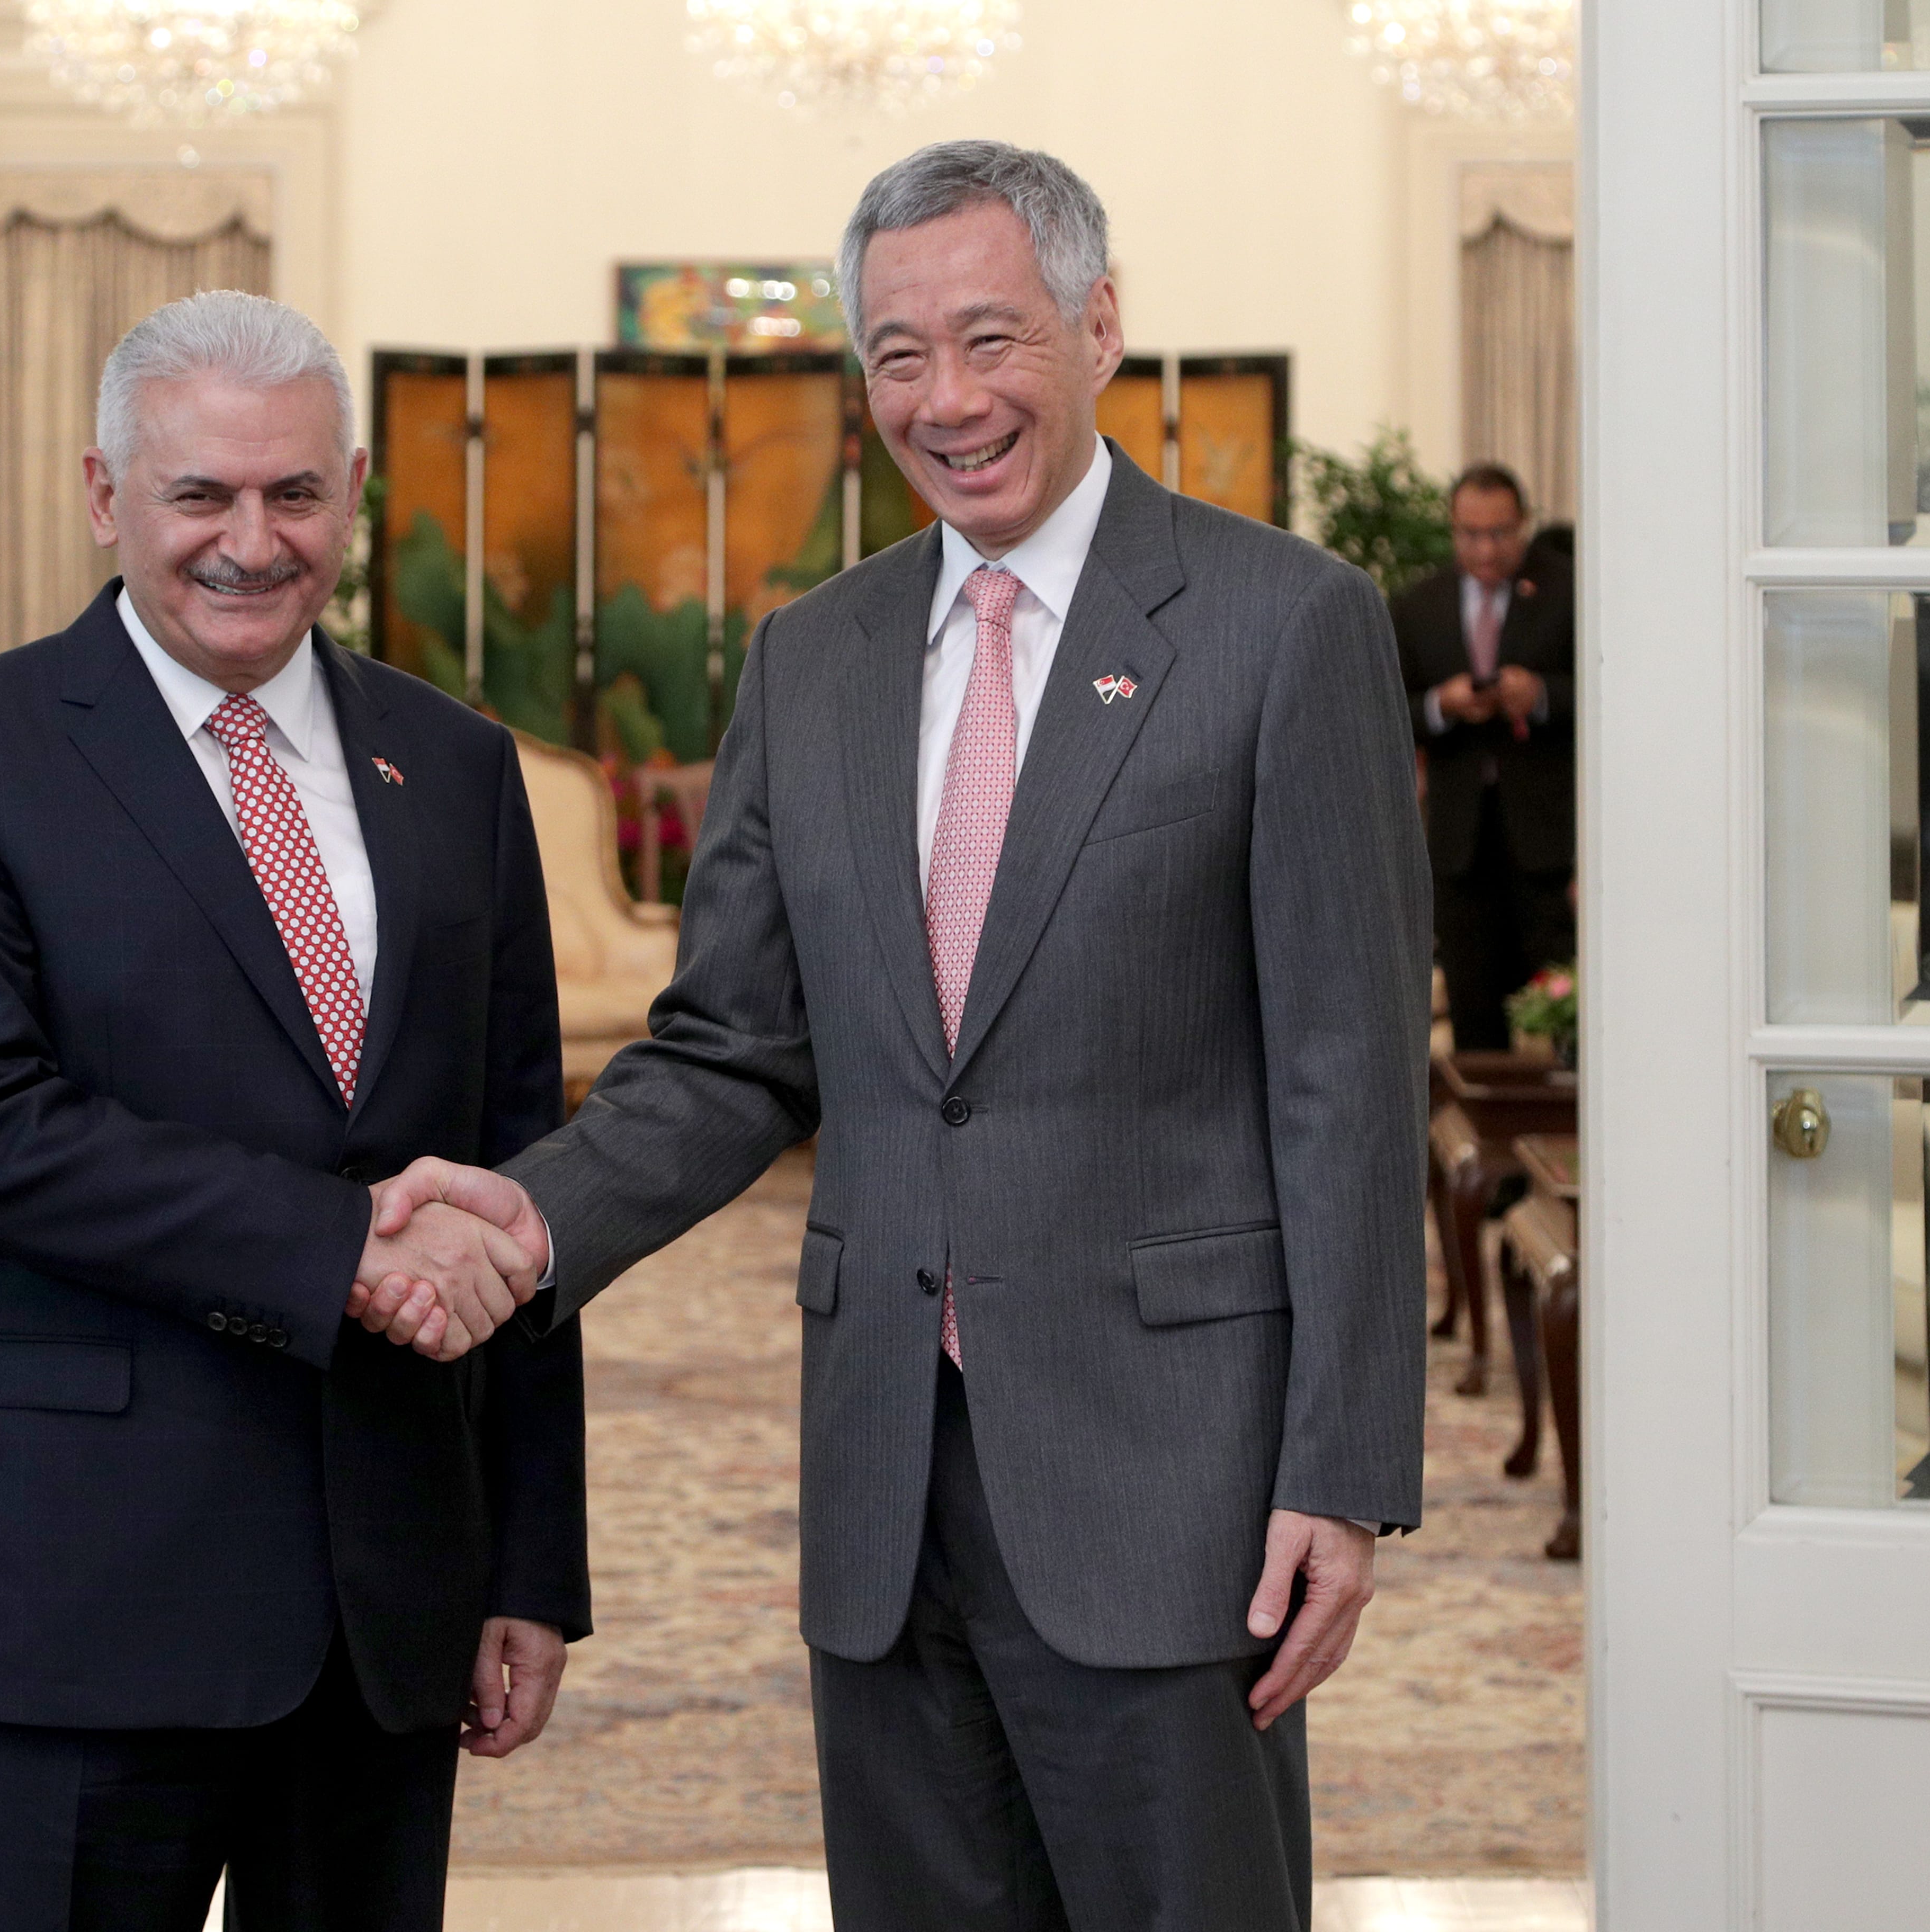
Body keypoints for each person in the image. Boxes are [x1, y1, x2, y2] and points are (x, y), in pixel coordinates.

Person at [364, 141, 1428, 1930]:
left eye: (989, 338)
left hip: (1170, 1472)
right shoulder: (815, 658)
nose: (946, 400)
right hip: (882, 1475)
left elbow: (1348, 1078)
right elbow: (729, 1047)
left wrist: (1344, 1466)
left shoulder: (1280, 624)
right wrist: (530, 1218)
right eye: (897, 356)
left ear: (1099, 327)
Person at [0, 290, 587, 1932]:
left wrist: (532, 1565)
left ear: (354, 492)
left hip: (384, 1601)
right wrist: (339, 1246)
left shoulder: (458, 768)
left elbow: (519, 1169)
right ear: (108, 497)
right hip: (74, 1596)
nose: (252, 543)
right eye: (201, 497)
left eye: (294, 495)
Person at [1390, 464, 1578, 1052]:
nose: (1486, 549)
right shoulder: (1421, 604)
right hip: (1459, 844)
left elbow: (1610, 695)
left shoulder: (1569, 590)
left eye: (1499, 533)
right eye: (1471, 534)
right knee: (1474, 1012)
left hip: (1545, 841)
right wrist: (1443, 706)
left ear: (1523, 525)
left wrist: (1541, 695)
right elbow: (1390, 710)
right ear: (1453, 530)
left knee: (1564, 1005)